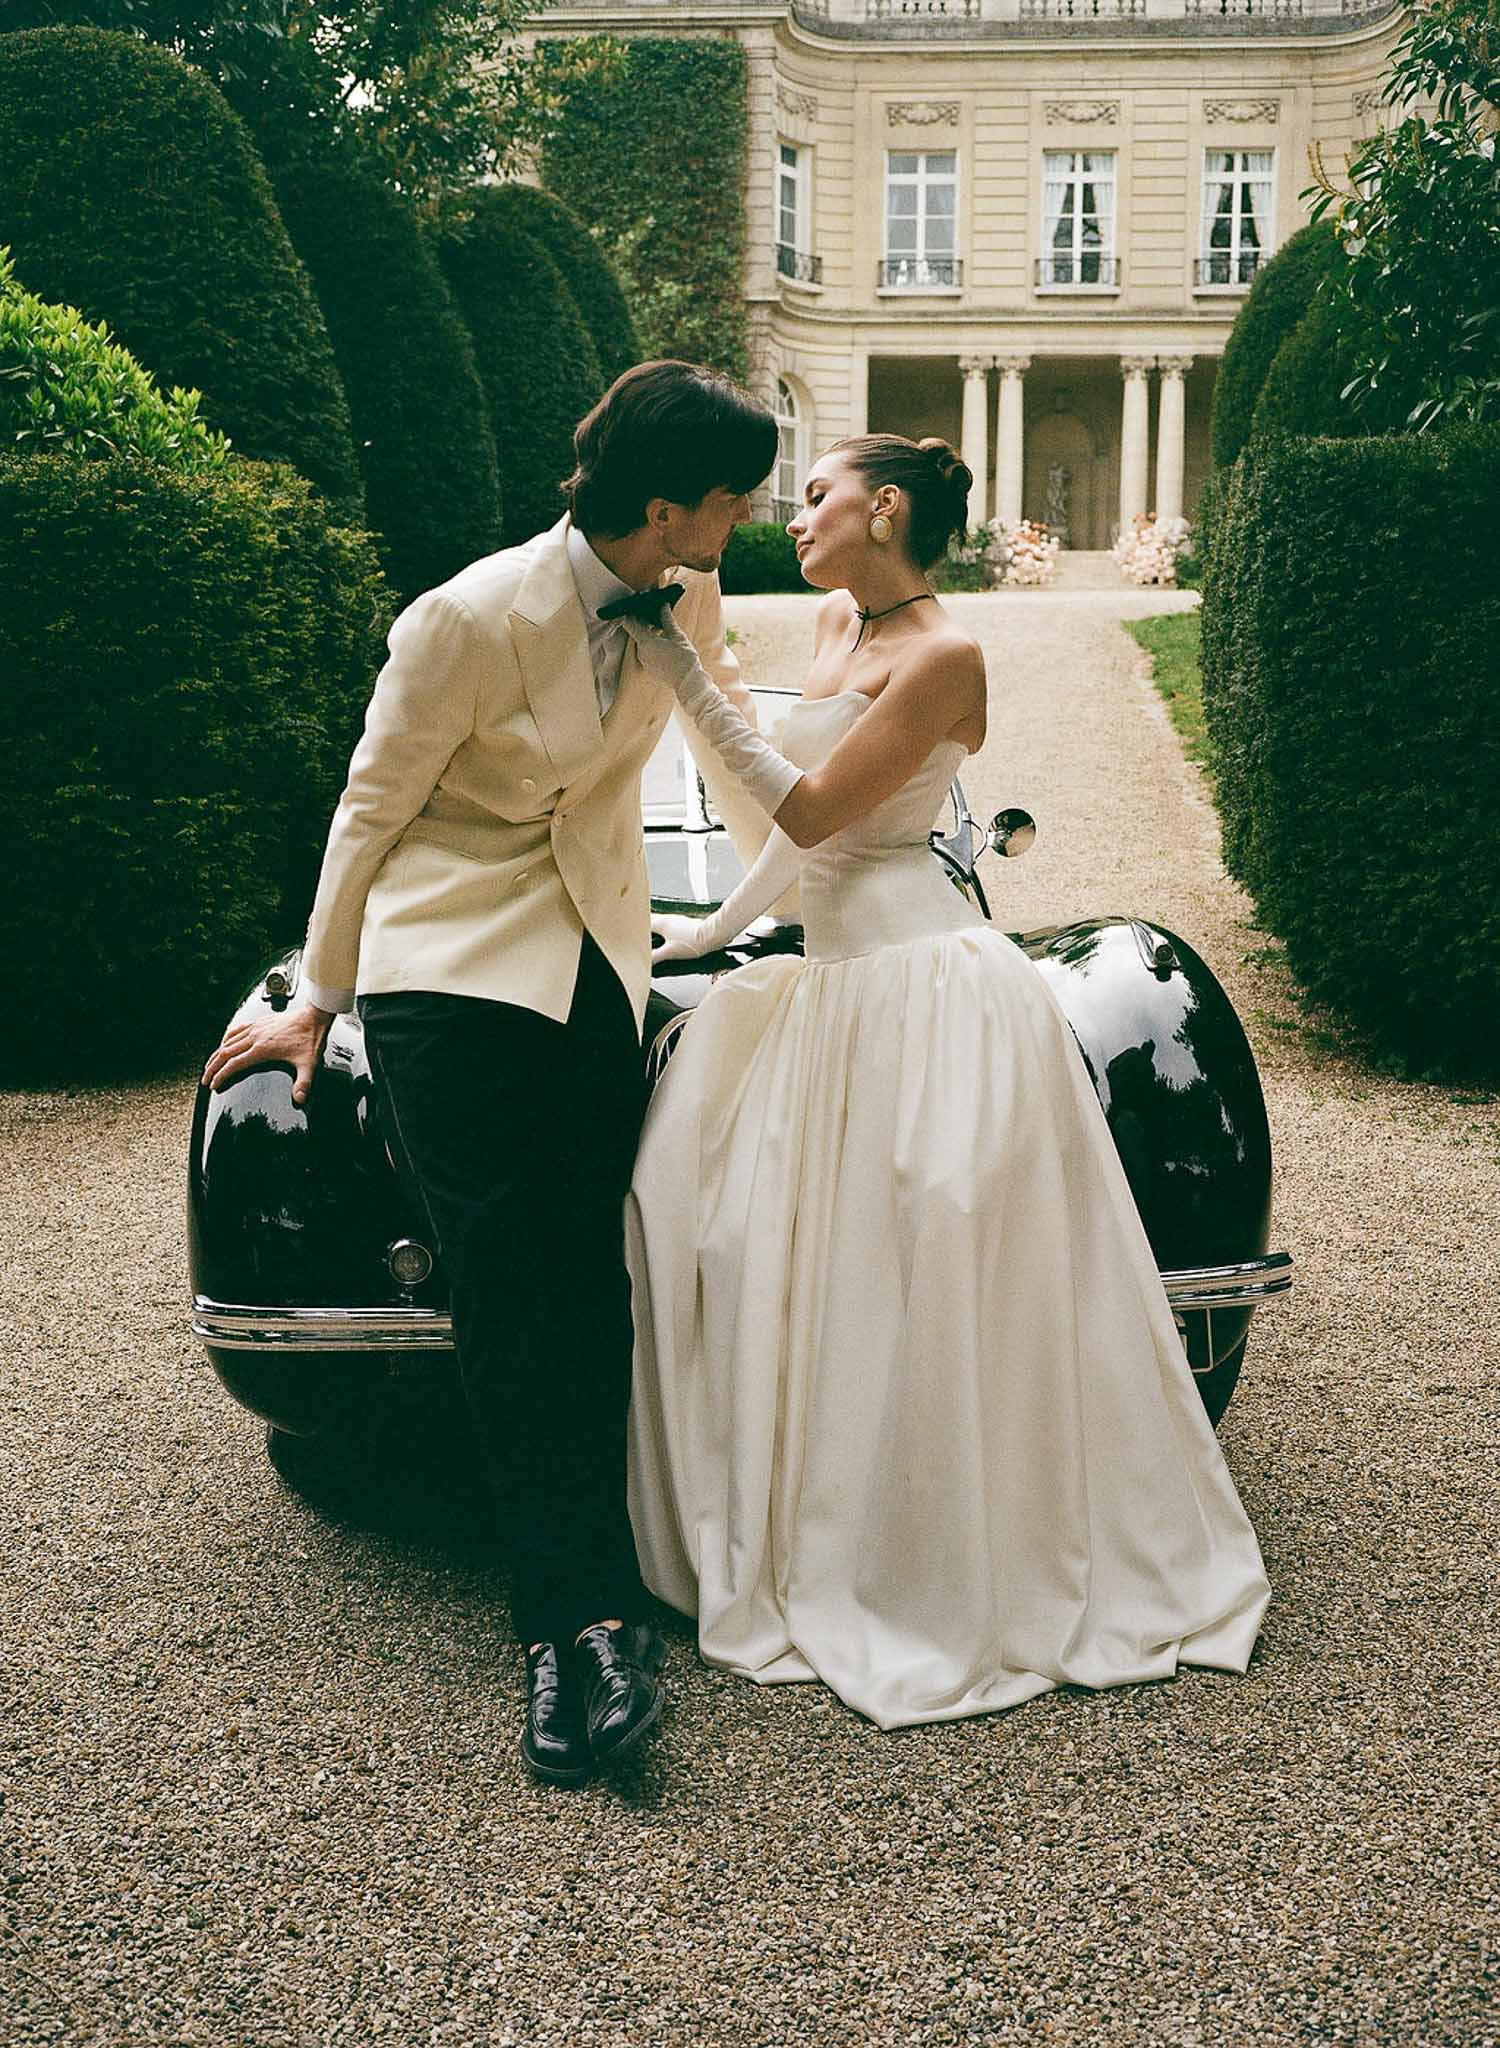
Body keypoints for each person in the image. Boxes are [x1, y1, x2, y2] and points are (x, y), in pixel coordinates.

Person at [620, 433, 1271, 1730]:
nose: (797, 513)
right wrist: (699, 936)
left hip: (924, 986)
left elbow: (810, 812)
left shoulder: (948, 657)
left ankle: (949, 1553)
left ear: (891, 507)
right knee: (770, 1249)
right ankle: (833, 1521)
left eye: (819, 495)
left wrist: (681, 663)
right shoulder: (834, 624)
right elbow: (804, 839)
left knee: (924, 1272)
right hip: (833, 976)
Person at [202, 360, 779, 1783]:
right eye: (731, 500)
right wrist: (318, 998)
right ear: (668, 505)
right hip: (444, 958)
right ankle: (570, 1623)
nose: (741, 521)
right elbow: (370, 807)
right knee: (510, 1274)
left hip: (593, 944)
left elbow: (724, 747)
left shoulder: (684, 596)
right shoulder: (463, 617)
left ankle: (623, 1556)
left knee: (596, 1261)